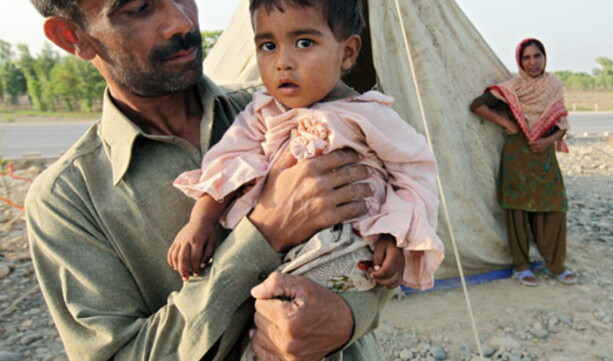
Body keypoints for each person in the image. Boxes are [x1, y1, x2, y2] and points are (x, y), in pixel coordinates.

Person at [25, 0, 397, 360]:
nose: (182, 21)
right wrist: (266, 233)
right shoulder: (66, 201)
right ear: (72, 36)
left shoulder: (290, 106)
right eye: (139, 8)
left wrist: (347, 317)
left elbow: (375, 227)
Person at [168, 0, 444, 298]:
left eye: (303, 42)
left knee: (314, 317)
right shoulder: (261, 116)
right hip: (273, 260)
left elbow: (413, 174)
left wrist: (394, 234)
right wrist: (203, 220)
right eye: (268, 46)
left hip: (350, 262)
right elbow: (228, 162)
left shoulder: (371, 116)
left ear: (348, 53)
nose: (282, 62)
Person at [470, 38, 577, 287]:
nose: (532, 63)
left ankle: (555, 264)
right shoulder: (512, 89)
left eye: (537, 56)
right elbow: (478, 105)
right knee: (517, 210)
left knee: (553, 208)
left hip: (544, 155)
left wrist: (546, 141)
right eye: (526, 58)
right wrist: (507, 123)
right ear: (520, 61)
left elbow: (561, 125)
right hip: (518, 155)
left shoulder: (553, 85)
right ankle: (521, 266)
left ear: (544, 57)